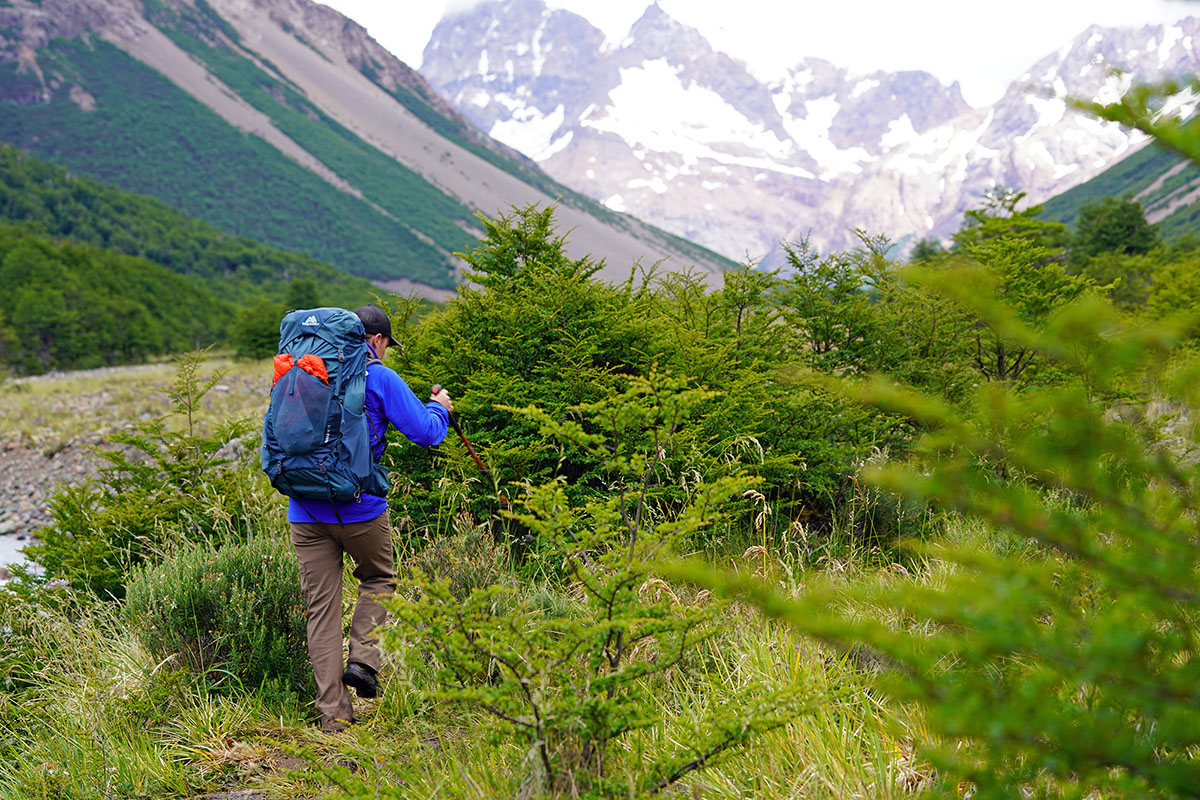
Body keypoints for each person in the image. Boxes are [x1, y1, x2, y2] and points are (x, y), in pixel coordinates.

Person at [288, 304, 452, 733]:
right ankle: (363, 660)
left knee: (320, 612)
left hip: (304, 510)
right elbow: (427, 433)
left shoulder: (304, 370)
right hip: (359, 508)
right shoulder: (378, 375)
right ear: (377, 341)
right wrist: (440, 408)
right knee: (379, 578)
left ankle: (334, 718)